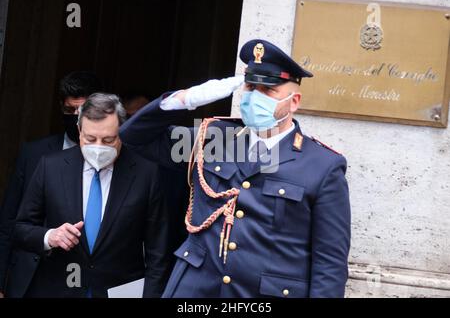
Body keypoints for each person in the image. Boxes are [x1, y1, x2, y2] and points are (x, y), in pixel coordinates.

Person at [120, 39, 351, 298]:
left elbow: (329, 264)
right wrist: (183, 99)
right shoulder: (215, 139)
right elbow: (134, 137)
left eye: (267, 90)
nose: (255, 96)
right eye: (251, 87)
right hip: (196, 291)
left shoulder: (321, 165)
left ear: (293, 101)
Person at [13, 93, 171, 298]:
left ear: (122, 132)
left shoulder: (146, 174)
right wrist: (50, 236)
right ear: (79, 131)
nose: (98, 147)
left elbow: (158, 254)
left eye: (108, 140)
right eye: (90, 139)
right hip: (59, 289)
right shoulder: (50, 167)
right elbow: (20, 228)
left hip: (119, 292)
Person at [0, 71, 103, 298]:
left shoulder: (116, 159)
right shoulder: (33, 154)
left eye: (82, 111)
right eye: (69, 111)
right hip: (30, 276)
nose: (75, 118)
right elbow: (9, 221)